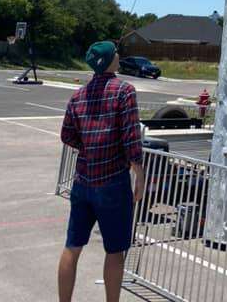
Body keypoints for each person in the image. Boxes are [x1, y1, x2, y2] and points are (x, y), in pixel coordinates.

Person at [58, 41, 145, 302]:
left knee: (72, 247)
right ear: (110, 60)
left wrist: (89, 147)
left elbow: (67, 135)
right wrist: (138, 172)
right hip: (113, 182)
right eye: (116, 53)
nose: (119, 55)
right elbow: (131, 137)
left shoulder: (78, 96)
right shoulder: (124, 91)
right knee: (115, 250)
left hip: (82, 181)